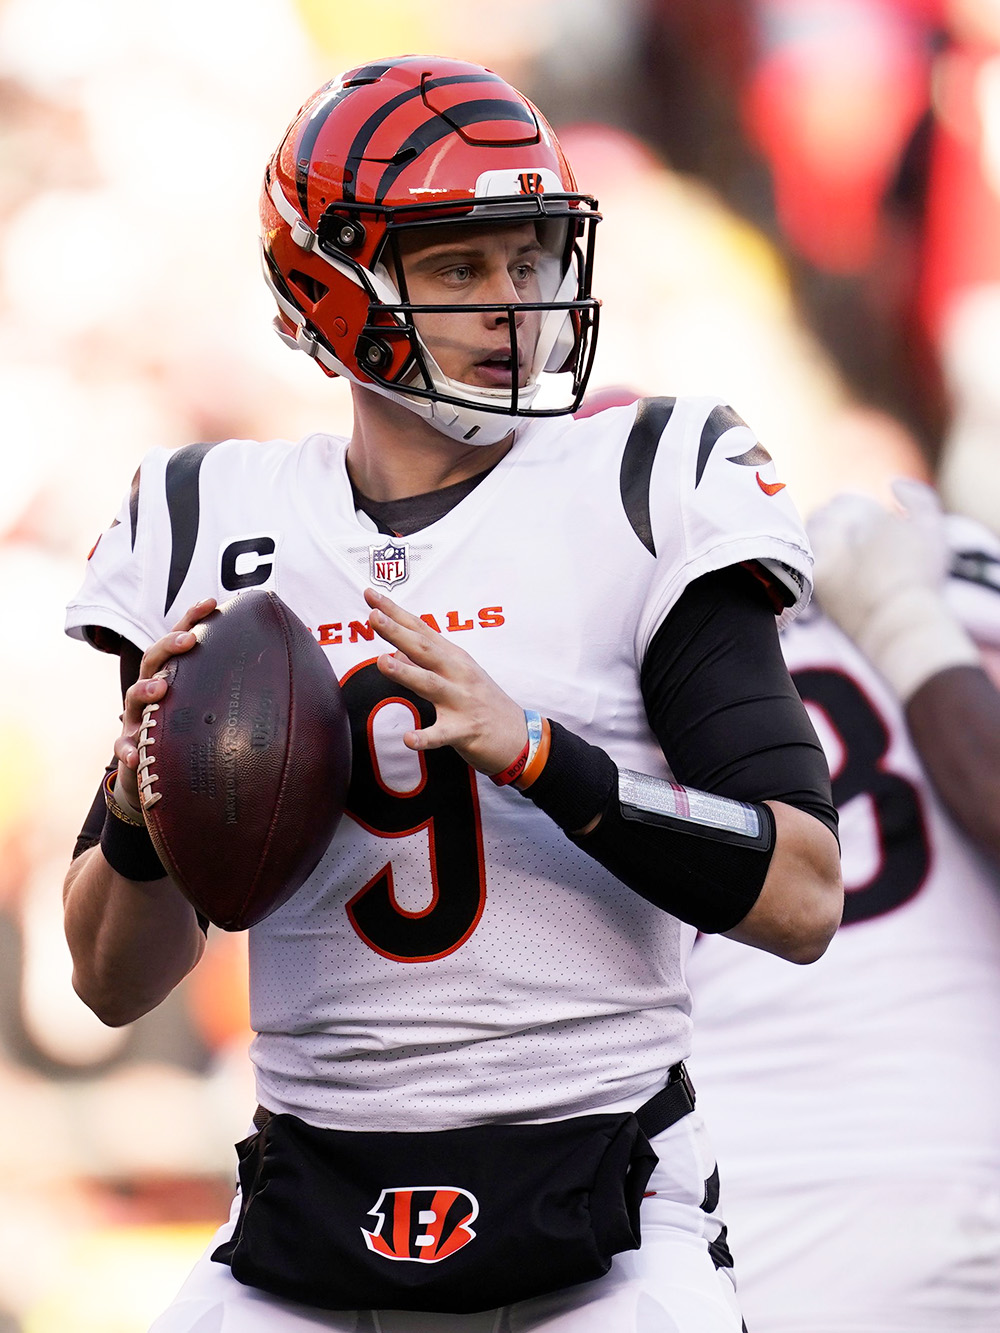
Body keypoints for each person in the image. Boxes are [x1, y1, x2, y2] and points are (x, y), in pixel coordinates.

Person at [62, 56, 842, 1333]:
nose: (511, 305)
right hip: (307, 1208)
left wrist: (542, 756)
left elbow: (802, 895)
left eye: (529, 260)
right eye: (460, 265)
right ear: (332, 282)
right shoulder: (204, 517)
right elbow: (107, 979)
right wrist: (142, 797)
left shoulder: (646, 479)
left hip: (603, 1208)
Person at [688, 478, 1000, 1332]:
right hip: (959, 1163)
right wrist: (906, 620)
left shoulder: (601, 646)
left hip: (728, 1222)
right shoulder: (943, 568)